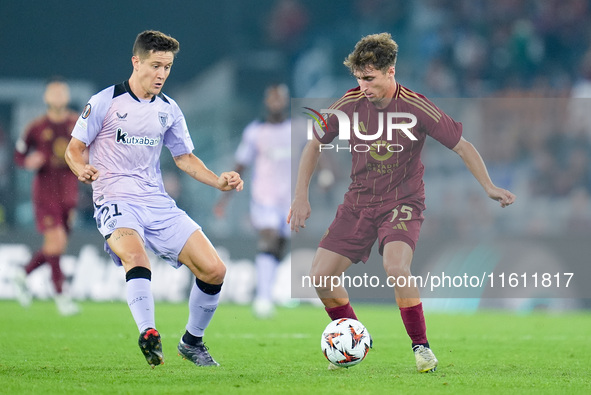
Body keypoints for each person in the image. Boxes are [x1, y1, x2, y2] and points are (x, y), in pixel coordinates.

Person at [288, 33, 515, 373]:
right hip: (358, 203)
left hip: (402, 203)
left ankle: (421, 348)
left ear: (390, 71)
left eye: (370, 78)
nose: (363, 86)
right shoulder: (347, 104)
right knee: (320, 276)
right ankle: (355, 336)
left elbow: (463, 146)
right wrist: (300, 196)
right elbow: (314, 144)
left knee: (396, 266)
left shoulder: (417, 106)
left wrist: (490, 186)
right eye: (359, 79)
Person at [64, 30, 243, 368]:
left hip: (156, 202)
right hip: (115, 199)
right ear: (137, 62)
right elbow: (74, 150)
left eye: (168, 67)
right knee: (137, 258)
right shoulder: (105, 101)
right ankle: (149, 333)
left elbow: (184, 158)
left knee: (215, 270)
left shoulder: (169, 109)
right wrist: (80, 169)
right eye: (156, 65)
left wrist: (218, 181)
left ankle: (191, 342)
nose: (162, 74)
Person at [214, 84, 291, 318]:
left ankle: (269, 289)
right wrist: (223, 200)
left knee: (280, 244)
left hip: (289, 199)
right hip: (263, 197)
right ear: (266, 102)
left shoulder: (296, 130)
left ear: (286, 101)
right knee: (268, 237)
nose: (276, 102)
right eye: (272, 98)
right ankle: (263, 298)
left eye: (280, 98)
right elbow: (241, 166)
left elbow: (315, 154)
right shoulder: (254, 132)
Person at [13, 77, 80, 316]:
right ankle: (62, 296)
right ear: (46, 97)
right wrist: (28, 161)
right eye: (54, 93)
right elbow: (19, 154)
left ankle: (23, 274)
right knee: (56, 241)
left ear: (67, 96)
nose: (58, 96)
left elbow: (90, 149)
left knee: (56, 245)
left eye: (62, 92)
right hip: (45, 192)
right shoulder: (37, 127)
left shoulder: (77, 123)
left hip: (69, 192)